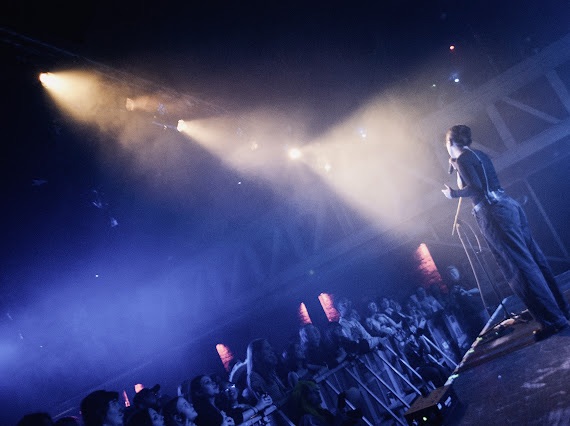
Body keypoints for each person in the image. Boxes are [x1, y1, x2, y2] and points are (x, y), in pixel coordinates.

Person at [441, 124, 570, 340]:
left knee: (519, 268)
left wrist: (453, 194)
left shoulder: (463, 159)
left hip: (493, 213)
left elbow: (476, 188)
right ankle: (561, 311)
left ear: (450, 142)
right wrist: (455, 165)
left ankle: (553, 320)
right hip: (509, 206)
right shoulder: (478, 155)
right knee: (535, 260)